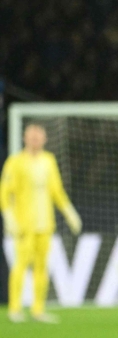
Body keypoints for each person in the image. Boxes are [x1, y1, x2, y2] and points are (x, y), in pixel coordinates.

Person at [1, 124, 82, 323]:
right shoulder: (15, 162)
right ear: (25, 139)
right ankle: (15, 308)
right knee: (20, 264)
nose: (35, 140)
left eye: (39, 137)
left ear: (45, 139)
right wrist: (9, 218)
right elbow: (4, 192)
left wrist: (69, 212)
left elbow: (57, 191)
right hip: (23, 224)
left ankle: (38, 309)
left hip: (45, 223)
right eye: (32, 137)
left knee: (41, 267)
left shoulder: (49, 161)